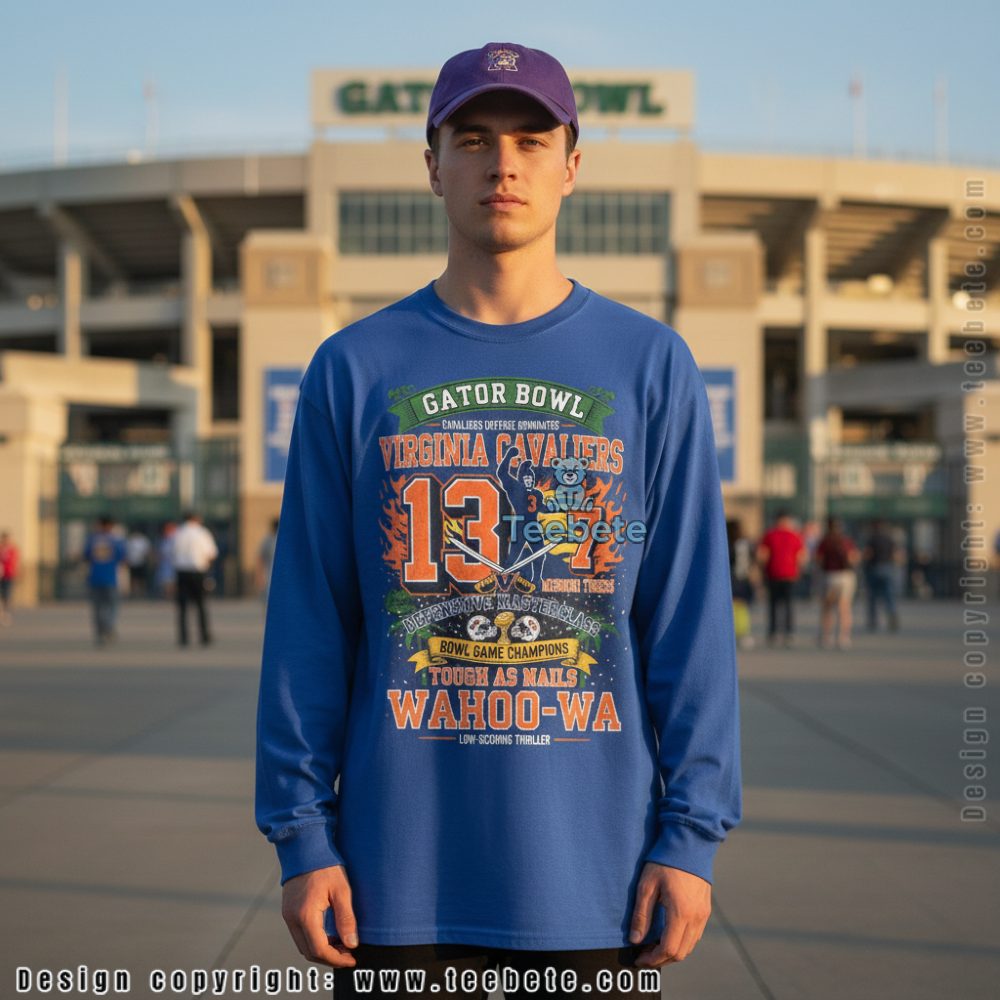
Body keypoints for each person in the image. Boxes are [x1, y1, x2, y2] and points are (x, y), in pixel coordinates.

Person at [256, 42, 742, 998]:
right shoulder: (354, 369)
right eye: (473, 139)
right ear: (433, 166)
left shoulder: (650, 365)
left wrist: (691, 836)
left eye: (531, 139)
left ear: (572, 165)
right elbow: (310, 621)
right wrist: (302, 835)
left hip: (596, 884)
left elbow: (689, 619)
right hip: (393, 884)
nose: (503, 164)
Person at [757, 509, 806, 648]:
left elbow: (762, 555)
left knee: (774, 604)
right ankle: (788, 632)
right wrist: (798, 569)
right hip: (788, 574)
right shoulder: (794, 535)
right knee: (788, 604)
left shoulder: (769, 535)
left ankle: (773, 632)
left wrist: (762, 570)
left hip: (773, 574)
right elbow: (802, 556)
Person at [172, 511, 218, 646]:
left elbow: (172, 553)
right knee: (201, 604)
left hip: (181, 571)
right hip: (198, 571)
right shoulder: (202, 532)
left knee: (182, 606)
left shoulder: (178, 533)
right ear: (196, 519)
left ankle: (183, 637)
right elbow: (211, 553)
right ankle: (204, 635)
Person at [815, 517, 859, 649]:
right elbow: (853, 558)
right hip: (845, 576)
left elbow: (818, 559)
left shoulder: (824, 542)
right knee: (844, 607)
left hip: (829, 576)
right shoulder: (846, 541)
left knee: (827, 607)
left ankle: (826, 636)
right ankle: (843, 637)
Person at [83, 515, 127, 645]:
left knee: (97, 608)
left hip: (95, 577)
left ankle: (100, 631)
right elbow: (122, 557)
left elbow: (86, 556)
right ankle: (109, 626)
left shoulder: (92, 540)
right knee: (112, 606)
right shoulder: (116, 541)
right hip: (111, 578)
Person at [863, 519, 900, 632]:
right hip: (887, 568)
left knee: (873, 596)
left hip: (874, 568)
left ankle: (873, 620)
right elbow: (896, 555)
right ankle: (892, 614)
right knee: (889, 595)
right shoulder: (889, 539)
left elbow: (868, 554)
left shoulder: (872, 539)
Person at [727, 518, 757, 650]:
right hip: (744, 578)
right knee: (743, 607)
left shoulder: (729, 543)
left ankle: (733, 631)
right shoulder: (746, 543)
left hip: (732, 578)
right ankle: (743, 633)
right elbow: (753, 560)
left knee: (732, 606)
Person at [255, 518, 279, 612]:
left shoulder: (277, 540)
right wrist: (259, 577)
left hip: (273, 577)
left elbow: (260, 560)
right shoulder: (268, 540)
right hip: (269, 577)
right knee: (269, 604)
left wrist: (259, 577)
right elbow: (260, 559)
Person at [154, 520, 178, 599]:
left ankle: (173, 595)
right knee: (165, 580)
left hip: (175, 563)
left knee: (173, 580)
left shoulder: (177, 538)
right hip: (165, 563)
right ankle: (167, 595)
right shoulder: (162, 539)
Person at [0, 531, 19, 626]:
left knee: (7, 595)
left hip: (9, 575)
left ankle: (6, 613)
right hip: (1, 576)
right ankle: (2, 612)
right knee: (2, 595)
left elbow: (15, 562)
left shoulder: (12, 550)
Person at [126, 528, 152, 597]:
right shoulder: (130, 540)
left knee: (142, 578)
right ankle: (134, 592)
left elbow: (147, 551)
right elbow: (127, 551)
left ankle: (142, 592)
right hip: (133, 562)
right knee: (133, 578)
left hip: (142, 561)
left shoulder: (144, 540)